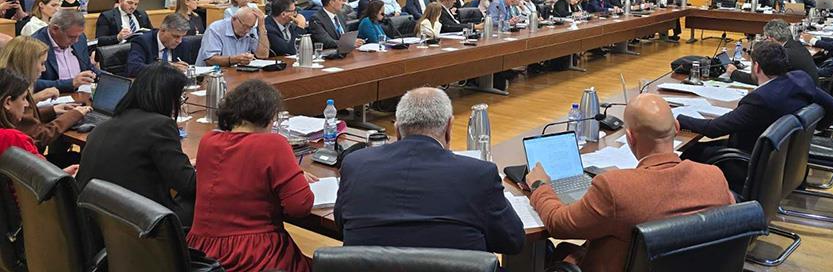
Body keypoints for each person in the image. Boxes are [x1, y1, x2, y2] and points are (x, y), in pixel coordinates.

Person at [526, 94, 734, 271]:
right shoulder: (714, 177)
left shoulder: (615, 188)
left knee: (558, 252)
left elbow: (559, 224)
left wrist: (539, 186)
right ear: (677, 128)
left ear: (630, 137)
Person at [335, 87, 523, 253]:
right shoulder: (479, 175)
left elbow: (342, 224)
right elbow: (513, 241)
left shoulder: (355, 164)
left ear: (397, 130)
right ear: (449, 127)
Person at [187, 80, 315, 272]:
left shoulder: (208, 141)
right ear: (269, 116)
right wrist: (294, 176)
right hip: (253, 256)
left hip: (202, 255)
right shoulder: (274, 144)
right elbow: (300, 206)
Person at [679, 41, 833, 178]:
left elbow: (713, 129)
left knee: (686, 152)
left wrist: (677, 118)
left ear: (756, 67)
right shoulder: (800, 79)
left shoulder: (761, 99)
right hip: (781, 160)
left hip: (748, 163)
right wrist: (809, 131)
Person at [77, 64, 196, 225]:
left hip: (95, 220)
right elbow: (188, 185)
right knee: (206, 200)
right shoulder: (160, 125)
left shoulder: (106, 125)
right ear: (168, 97)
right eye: (179, 97)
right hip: (139, 223)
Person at [0, 36, 91, 166]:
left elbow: (25, 121)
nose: (44, 69)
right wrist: (73, 115)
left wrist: (51, 111)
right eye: (42, 63)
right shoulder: (15, 89)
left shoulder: (7, 84)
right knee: (78, 159)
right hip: (31, 165)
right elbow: (39, 136)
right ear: (27, 64)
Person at [0, 69, 79, 175]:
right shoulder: (14, 139)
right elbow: (46, 178)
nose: (27, 104)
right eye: (23, 98)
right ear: (7, 102)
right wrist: (63, 174)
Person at [728, 20, 820, 87]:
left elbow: (763, 79)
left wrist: (734, 73)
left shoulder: (784, 55)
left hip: (802, 98)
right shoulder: (796, 44)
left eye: (765, 38)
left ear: (770, 39)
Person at [33, 10, 96, 93]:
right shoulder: (34, 45)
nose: (76, 41)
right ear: (55, 29)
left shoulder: (80, 38)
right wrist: (70, 83)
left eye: (78, 36)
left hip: (82, 94)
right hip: (54, 97)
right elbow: (31, 83)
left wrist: (106, 77)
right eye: (71, 37)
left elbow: (88, 66)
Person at [196, 6, 270, 67]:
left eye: (250, 27)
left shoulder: (251, 30)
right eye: (244, 26)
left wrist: (262, 26)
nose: (247, 30)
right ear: (234, 19)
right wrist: (235, 59)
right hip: (210, 76)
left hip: (236, 73)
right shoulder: (215, 29)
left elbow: (262, 55)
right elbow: (210, 60)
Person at [126, 14, 191, 77]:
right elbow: (134, 68)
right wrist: (168, 67)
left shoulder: (183, 44)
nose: (179, 41)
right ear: (163, 30)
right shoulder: (143, 42)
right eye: (175, 36)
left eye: (182, 36)